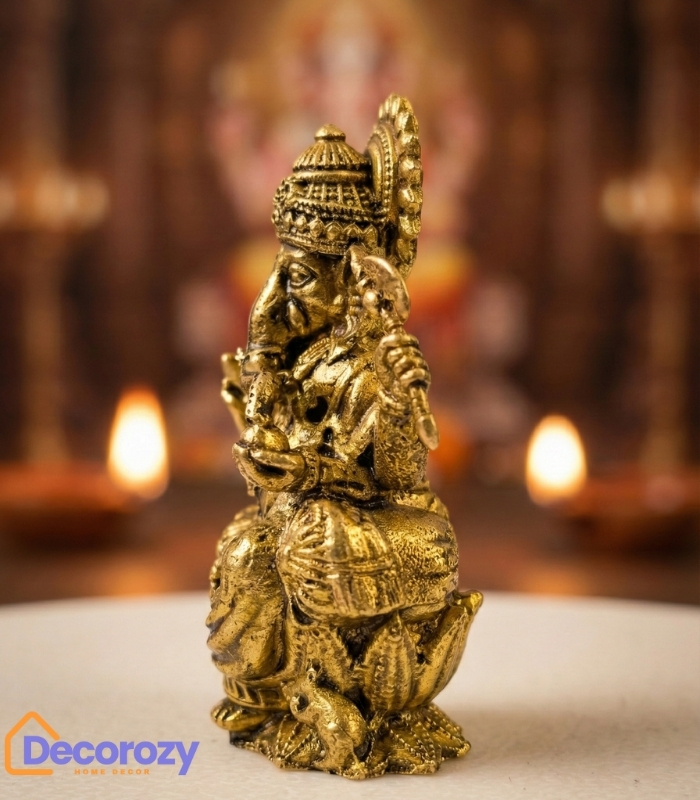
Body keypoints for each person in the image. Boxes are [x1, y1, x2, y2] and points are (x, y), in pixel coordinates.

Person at [207, 99, 481, 778]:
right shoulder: (300, 351)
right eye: (281, 271)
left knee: (314, 543)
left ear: (355, 277)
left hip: (373, 535)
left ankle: (362, 699)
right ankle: (278, 694)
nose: (278, 292)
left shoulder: (377, 364)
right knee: (249, 549)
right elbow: (275, 454)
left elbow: (401, 485)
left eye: (298, 276)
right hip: (304, 521)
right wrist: (261, 361)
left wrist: (389, 405)